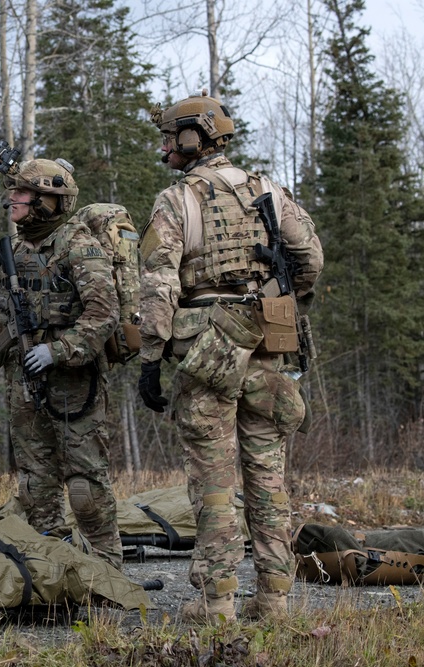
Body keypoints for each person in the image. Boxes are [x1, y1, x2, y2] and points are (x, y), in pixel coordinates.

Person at [138, 92, 323, 623]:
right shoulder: (267, 189)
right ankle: (275, 599)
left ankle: (217, 602)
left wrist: (151, 356)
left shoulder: (177, 201)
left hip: (207, 352)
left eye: (171, 136)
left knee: (214, 481)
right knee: (268, 475)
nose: (166, 147)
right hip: (265, 347)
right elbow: (310, 257)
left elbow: (158, 283)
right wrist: (279, 298)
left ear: (194, 137)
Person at [0, 156, 123, 569]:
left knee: (85, 484)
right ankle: (50, 560)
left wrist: (58, 350)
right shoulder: (14, 250)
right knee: (35, 482)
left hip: (74, 383)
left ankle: (107, 568)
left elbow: (104, 315)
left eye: (20, 192)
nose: (11, 199)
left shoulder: (78, 245)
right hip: (25, 382)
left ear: (46, 200)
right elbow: (4, 319)